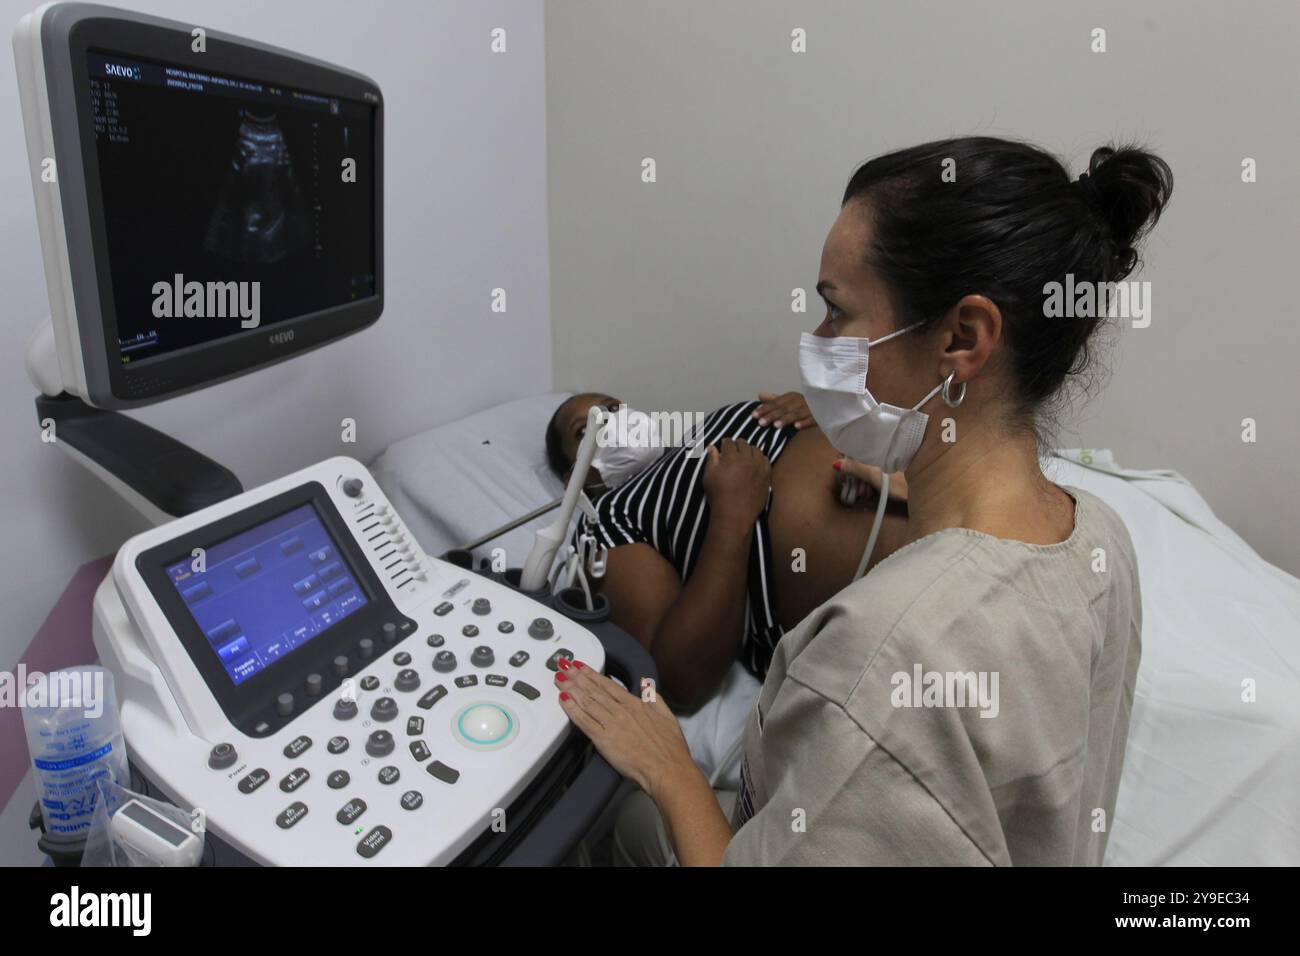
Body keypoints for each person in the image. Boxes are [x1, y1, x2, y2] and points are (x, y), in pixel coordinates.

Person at [553, 137, 1170, 866]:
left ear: (963, 339)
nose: (816, 345)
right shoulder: (1102, 539)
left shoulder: (876, 660)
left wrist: (669, 766)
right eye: (584, 431)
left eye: (837, 313)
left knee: (609, 812)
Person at [545, 391, 907, 708]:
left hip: (931, 495)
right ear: (575, 475)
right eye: (586, 428)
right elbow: (679, 677)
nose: (614, 421)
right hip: (903, 598)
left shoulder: (697, 438)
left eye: (613, 408)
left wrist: (821, 412)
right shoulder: (608, 520)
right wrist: (732, 518)